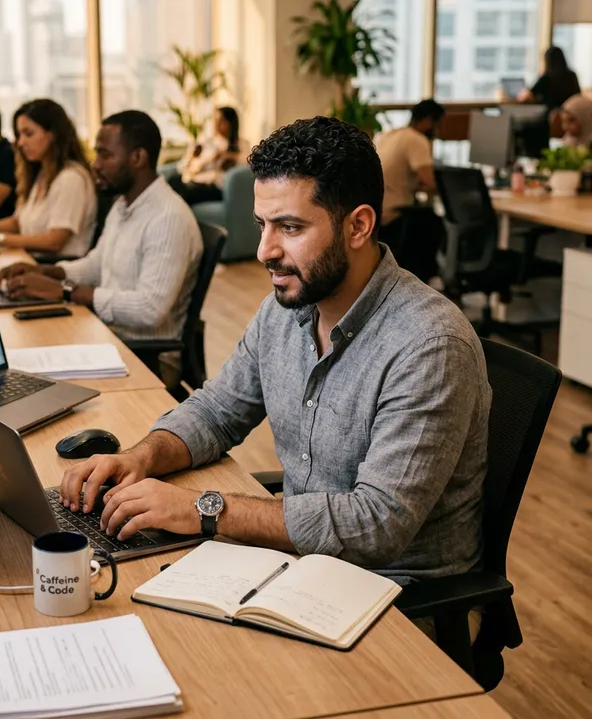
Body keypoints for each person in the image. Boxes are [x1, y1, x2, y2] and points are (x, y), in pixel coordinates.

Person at [59, 117, 491, 593]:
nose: (265, 251)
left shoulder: (429, 345)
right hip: (302, 563)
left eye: (290, 227)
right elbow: (217, 411)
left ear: (359, 226)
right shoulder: (285, 309)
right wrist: (140, 458)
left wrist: (200, 508)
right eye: (262, 226)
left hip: (395, 598)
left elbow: (375, 525)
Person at [0, 110, 203, 343]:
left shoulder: (167, 218)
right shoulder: (122, 205)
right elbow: (97, 265)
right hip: (106, 334)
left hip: (143, 355)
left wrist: (66, 291)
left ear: (138, 158)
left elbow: (150, 309)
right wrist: (47, 272)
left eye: (105, 155)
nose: (96, 164)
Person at [0, 99, 97, 256]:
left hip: (53, 270)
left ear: (52, 135)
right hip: (30, 262)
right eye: (19, 134)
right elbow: (17, 222)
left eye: (28, 134)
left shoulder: (70, 179)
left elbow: (54, 242)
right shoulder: (42, 173)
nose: (20, 143)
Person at [375, 100, 445, 282]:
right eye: (437, 125)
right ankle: (424, 282)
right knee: (437, 224)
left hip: (376, 213)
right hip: (395, 216)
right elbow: (430, 183)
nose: (437, 131)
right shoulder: (417, 139)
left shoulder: (389, 135)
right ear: (429, 120)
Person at [167, 107, 245, 205]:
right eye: (215, 120)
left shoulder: (240, 145)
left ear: (229, 123)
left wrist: (228, 156)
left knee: (184, 191)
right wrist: (192, 156)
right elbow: (188, 168)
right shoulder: (208, 143)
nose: (215, 125)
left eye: (220, 121)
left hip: (216, 187)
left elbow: (246, 164)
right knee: (172, 181)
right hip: (197, 180)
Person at [519, 46, 581, 111]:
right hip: (570, 115)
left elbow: (528, 95)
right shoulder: (572, 76)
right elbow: (578, 96)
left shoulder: (546, 78)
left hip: (551, 116)